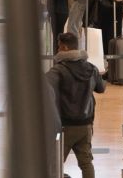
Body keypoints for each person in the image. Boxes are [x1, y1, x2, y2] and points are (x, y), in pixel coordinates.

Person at [45, 32, 106, 178]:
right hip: (86, 124)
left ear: (65, 48)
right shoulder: (91, 68)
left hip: (66, 125)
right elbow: (101, 88)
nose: (57, 50)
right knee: (86, 163)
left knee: (54, 164)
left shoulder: (58, 70)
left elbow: (44, 86)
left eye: (59, 47)